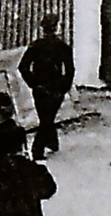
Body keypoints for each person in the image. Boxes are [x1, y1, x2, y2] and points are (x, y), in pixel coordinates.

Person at [19, 15, 75, 159]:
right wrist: (64, 87)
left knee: (46, 117)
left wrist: (33, 83)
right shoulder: (63, 47)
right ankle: (37, 150)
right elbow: (70, 70)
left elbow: (23, 67)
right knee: (47, 118)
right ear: (57, 28)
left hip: (40, 88)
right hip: (56, 88)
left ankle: (52, 142)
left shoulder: (35, 46)